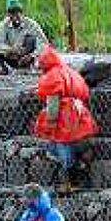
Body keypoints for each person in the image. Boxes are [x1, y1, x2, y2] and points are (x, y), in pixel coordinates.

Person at [34, 44, 99, 193]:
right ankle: (82, 162)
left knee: (61, 146)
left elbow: (53, 106)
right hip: (80, 112)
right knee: (77, 142)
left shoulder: (52, 77)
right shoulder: (71, 72)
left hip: (65, 116)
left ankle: (72, 182)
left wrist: (50, 124)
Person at [0, 0, 48, 75]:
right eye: (12, 12)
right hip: (10, 55)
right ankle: (4, 68)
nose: (15, 15)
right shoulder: (3, 25)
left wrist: (33, 55)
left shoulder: (31, 24)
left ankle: (27, 66)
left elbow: (44, 43)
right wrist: (10, 50)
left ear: (22, 13)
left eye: (17, 12)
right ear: (8, 14)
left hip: (26, 56)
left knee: (31, 39)